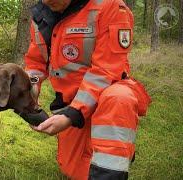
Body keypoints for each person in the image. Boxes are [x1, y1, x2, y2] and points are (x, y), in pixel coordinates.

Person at [23, 0, 151, 179]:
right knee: (74, 171)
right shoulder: (41, 15)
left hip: (106, 95)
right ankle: (112, 148)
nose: (47, 3)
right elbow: (36, 62)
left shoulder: (110, 6)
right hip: (70, 104)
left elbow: (106, 71)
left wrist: (71, 115)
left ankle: (113, 160)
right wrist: (31, 85)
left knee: (119, 98)